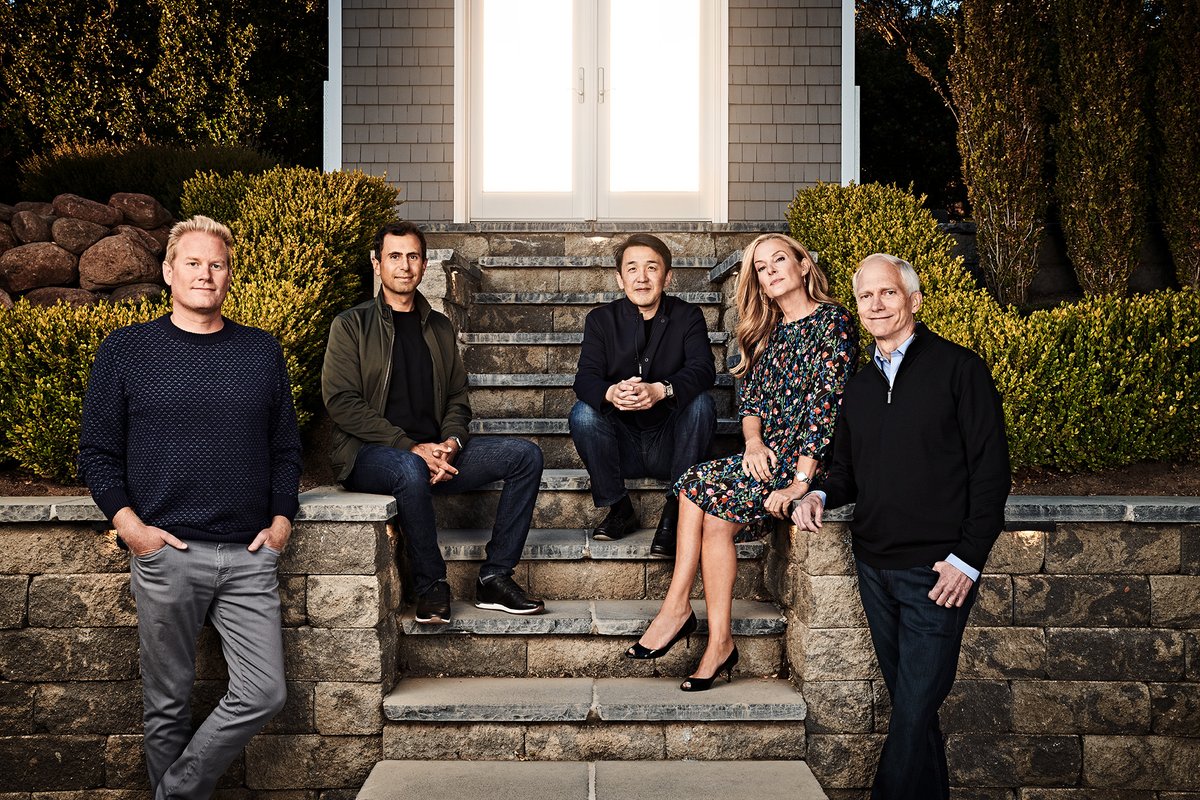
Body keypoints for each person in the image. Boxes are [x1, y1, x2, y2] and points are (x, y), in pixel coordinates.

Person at [78, 215, 302, 799]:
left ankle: (171, 793)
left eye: (217, 264)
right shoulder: (128, 349)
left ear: (230, 275)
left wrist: (281, 522)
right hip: (166, 554)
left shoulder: (259, 351)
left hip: (249, 554)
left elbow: (285, 448)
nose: (206, 274)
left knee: (265, 692)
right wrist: (131, 528)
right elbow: (98, 451)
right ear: (169, 271)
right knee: (168, 703)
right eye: (194, 263)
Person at [792, 253, 1011, 800]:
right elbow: (847, 471)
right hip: (874, 568)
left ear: (912, 300)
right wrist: (817, 491)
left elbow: (992, 473)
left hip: (938, 573)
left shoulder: (960, 369)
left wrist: (967, 559)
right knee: (916, 713)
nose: (876, 304)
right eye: (865, 296)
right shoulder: (860, 386)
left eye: (887, 293)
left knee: (912, 712)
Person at [627, 233, 857, 690]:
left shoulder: (834, 322)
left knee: (694, 482)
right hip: (765, 459)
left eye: (779, 261)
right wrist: (752, 444)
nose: (770, 271)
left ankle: (677, 610)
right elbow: (750, 403)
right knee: (712, 519)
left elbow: (825, 407)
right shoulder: (765, 331)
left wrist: (799, 484)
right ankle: (720, 643)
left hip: (810, 461)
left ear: (803, 265)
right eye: (760, 267)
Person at [323, 220, 545, 625]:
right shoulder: (351, 325)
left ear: (424, 266)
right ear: (377, 264)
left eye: (413, 256)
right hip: (373, 455)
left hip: (436, 454)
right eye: (394, 256)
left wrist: (452, 443)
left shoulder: (439, 327)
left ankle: (495, 577)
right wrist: (410, 447)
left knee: (525, 456)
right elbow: (342, 403)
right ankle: (430, 585)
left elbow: (458, 398)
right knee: (408, 468)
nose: (404, 266)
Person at [570, 233, 717, 557]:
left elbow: (705, 369)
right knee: (582, 413)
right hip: (621, 448)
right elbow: (585, 380)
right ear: (620, 278)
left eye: (652, 268)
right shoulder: (600, 320)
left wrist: (661, 390)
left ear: (667, 276)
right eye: (632, 268)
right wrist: (611, 393)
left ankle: (675, 510)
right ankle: (619, 508)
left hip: (671, 444)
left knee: (703, 404)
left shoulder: (688, 316)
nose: (642, 277)